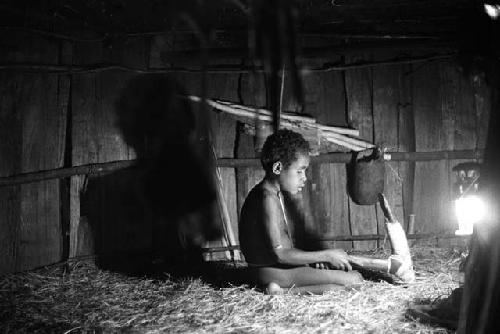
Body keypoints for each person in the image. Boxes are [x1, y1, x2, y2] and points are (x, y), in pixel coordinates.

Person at [238, 129, 414, 295]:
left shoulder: (270, 193)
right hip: (270, 272)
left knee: (338, 285)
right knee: (355, 280)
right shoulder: (267, 199)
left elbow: (280, 249)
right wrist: (327, 255)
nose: (304, 178)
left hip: (271, 269)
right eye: (299, 171)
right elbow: (280, 254)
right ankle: (282, 292)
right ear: (277, 169)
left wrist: (312, 260)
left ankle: (281, 290)